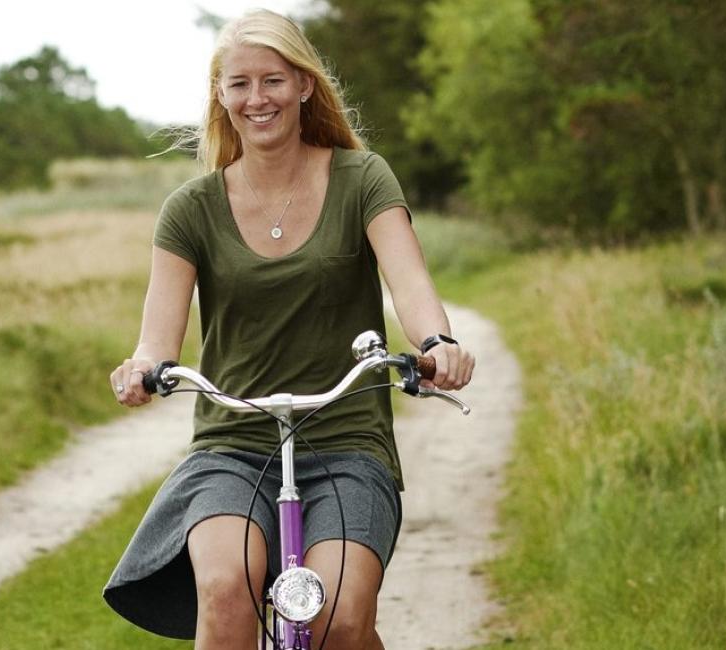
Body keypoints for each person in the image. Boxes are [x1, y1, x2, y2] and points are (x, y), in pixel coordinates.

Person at [102, 9, 475, 650]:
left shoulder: (363, 178)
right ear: (220, 96)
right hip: (232, 445)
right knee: (224, 592)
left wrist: (436, 342)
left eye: (272, 80)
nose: (257, 98)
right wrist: (141, 368)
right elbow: (157, 340)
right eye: (239, 84)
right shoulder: (190, 209)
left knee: (336, 617)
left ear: (304, 85)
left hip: (347, 440)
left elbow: (409, 283)